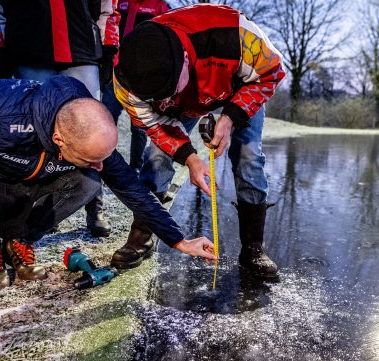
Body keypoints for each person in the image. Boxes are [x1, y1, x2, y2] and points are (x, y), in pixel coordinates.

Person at [0, 75, 216, 291]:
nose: (99, 164)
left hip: (28, 185)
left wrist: (179, 240)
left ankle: (18, 239)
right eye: (89, 158)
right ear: (58, 138)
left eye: (101, 159)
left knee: (90, 180)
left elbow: (133, 190)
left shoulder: (88, 133)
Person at [113, 4, 286, 281]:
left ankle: (253, 247)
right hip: (187, 101)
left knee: (249, 157)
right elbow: (154, 123)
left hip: (237, 87)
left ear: (183, 59)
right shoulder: (126, 76)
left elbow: (271, 73)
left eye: (166, 92)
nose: (162, 102)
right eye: (155, 97)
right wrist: (191, 158)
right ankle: (143, 236)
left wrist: (230, 118)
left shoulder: (238, 36)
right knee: (157, 156)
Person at [0, 0, 120, 237]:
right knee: (38, 135)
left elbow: (108, 3)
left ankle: (95, 206)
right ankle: (42, 209)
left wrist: (109, 44)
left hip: (80, 43)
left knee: (92, 128)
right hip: (30, 43)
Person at [100, 0, 171, 175]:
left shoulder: (160, 7)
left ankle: (135, 168)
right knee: (107, 119)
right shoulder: (120, 3)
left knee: (139, 125)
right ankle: (106, 164)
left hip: (140, 76)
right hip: (115, 72)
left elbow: (165, 40)